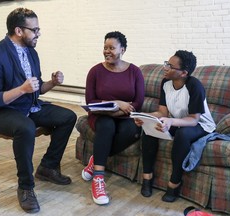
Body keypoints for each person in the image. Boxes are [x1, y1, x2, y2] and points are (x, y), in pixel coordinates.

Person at [0, 8, 77, 213]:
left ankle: (48, 167)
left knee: (68, 116)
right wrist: (21, 89)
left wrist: (52, 83)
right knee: (26, 127)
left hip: (28, 107)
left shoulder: (31, 52)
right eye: (35, 30)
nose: (38, 33)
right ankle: (25, 187)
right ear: (18, 30)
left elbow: (37, 89)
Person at [134, 50, 216, 202]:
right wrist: (146, 117)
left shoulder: (195, 86)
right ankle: (147, 177)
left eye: (170, 66)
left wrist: (171, 121)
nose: (165, 68)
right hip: (177, 120)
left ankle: (175, 182)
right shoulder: (165, 83)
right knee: (150, 128)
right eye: (166, 63)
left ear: (184, 73)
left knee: (183, 134)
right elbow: (162, 112)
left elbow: (193, 120)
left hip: (201, 125)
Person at [81, 31, 145, 205]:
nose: (107, 51)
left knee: (133, 130)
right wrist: (116, 104)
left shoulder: (134, 71)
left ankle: (95, 159)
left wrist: (122, 111)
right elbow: (91, 101)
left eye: (111, 48)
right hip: (101, 116)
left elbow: (138, 101)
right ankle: (98, 180)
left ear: (122, 49)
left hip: (125, 117)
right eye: (105, 47)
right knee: (107, 126)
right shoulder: (95, 71)